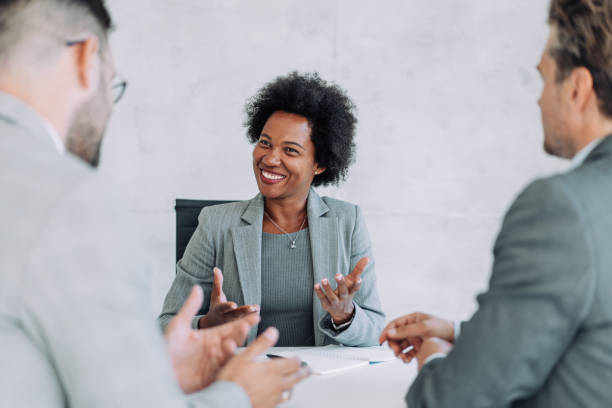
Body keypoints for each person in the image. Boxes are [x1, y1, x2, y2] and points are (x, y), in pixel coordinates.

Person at [0, 1, 308, 407]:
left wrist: (154, 372)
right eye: (112, 86)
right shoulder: (72, 199)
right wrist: (239, 396)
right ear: (85, 58)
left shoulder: (344, 222)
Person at [379, 0, 612, 406]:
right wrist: (460, 331)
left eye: (543, 80)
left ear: (577, 88)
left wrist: (435, 355)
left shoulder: (562, 208)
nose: (539, 100)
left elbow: (449, 399)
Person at [159, 72, 384, 347]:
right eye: (265, 143)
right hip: (243, 378)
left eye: (290, 150)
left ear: (319, 164)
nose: (270, 158)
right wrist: (207, 324)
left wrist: (345, 316)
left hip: (321, 382)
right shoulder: (216, 223)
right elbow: (166, 326)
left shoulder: (347, 222)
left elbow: (375, 331)